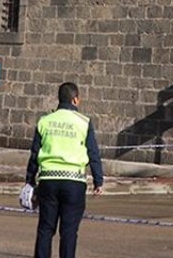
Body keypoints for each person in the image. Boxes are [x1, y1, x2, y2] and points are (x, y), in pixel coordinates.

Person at [26, 82, 105, 258]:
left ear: (59, 99)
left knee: (46, 229)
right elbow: (93, 153)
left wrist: (29, 181)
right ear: (75, 99)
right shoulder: (84, 123)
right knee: (69, 232)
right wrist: (98, 181)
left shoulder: (45, 121)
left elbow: (34, 154)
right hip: (74, 183)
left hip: (48, 181)